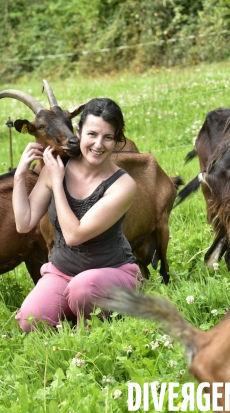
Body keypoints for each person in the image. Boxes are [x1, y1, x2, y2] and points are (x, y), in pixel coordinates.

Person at [12, 97, 143, 332]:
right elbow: (24, 223)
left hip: (112, 273)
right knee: (29, 321)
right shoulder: (58, 166)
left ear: (117, 140)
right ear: (79, 131)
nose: (98, 144)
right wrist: (20, 176)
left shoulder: (122, 185)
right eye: (92, 134)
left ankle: (105, 310)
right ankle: (76, 310)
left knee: (83, 289)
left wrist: (57, 183)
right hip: (63, 273)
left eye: (108, 137)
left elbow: (74, 235)